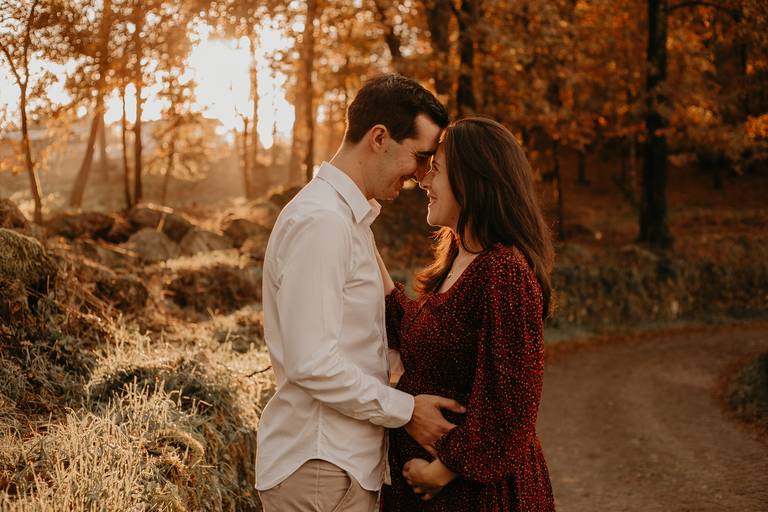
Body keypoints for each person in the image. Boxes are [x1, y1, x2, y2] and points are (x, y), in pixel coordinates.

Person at [256, 74, 466, 512]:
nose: (423, 173)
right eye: (420, 156)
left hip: (337, 465)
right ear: (379, 138)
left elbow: (360, 346)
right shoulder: (323, 222)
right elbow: (311, 360)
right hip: (320, 464)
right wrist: (406, 409)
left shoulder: (346, 221)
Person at [378, 117, 556, 511]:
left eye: (436, 171)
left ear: (472, 180)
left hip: (477, 496)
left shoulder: (503, 271)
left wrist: (441, 471)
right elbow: (405, 325)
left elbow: (513, 405)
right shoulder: (459, 260)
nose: (424, 181)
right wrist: (357, 229)